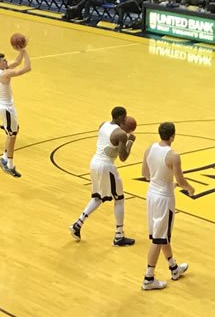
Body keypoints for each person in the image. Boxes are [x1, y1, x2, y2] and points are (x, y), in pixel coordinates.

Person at [140, 121, 193, 290]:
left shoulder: (149, 148)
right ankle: (148, 278)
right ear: (173, 136)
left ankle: (174, 268)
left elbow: (145, 174)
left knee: (161, 235)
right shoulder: (173, 156)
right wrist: (190, 189)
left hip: (151, 195)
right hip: (164, 199)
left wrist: (163, 181)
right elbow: (180, 180)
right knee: (158, 238)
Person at [71, 106, 135, 246]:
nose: (125, 119)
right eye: (124, 117)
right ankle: (119, 236)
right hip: (106, 166)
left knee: (98, 197)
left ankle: (78, 224)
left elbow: (109, 144)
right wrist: (129, 141)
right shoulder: (121, 134)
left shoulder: (103, 124)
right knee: (119, 199)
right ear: (120, 117)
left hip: (94, 163)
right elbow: (123, 157)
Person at [0, 42, 32, 178]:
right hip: (5, 108)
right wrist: (26, 52)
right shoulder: (5, 74)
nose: (6, 61)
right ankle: (9, 164)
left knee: (14, 131)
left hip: (5, 106)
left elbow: (16, 61)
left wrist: (21, 50)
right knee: (12, 134)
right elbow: (26, 68)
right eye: (3, 61)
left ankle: (4, 157)